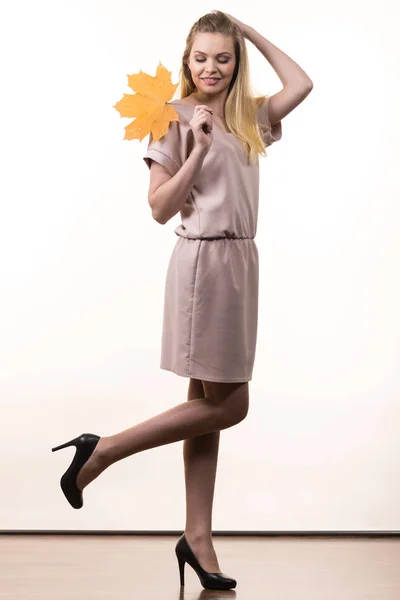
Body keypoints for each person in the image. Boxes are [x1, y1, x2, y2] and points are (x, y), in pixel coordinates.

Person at [52, 10, 313, 591]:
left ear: (235, 60)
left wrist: (248, 32)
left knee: (207, 404)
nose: (211, 67)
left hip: (242, 261)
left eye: (223, 56)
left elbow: (301, 84)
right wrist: (194, 148)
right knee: (231, 403)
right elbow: (159, 207)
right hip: (204, 265)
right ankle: (103, 450)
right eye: (201, 56)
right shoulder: (168, 116)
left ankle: (197, 537)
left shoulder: (249, 116)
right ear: (186, 59)